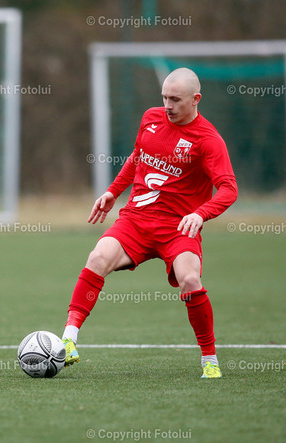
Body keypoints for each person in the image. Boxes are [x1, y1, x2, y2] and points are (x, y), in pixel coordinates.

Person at [61, 67, 237, 379]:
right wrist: (113, 192)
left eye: (175, 99)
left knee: (190, 280)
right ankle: (68, 340)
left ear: (196, 99)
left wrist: (201, 214)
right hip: (136, 220)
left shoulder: (208, 140)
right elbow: (137, 157)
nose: (167, 105)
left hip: (178, 228)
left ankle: (209, 359)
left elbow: (228, 189)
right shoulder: (151, 118)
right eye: (164, 97)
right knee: (97, 258)